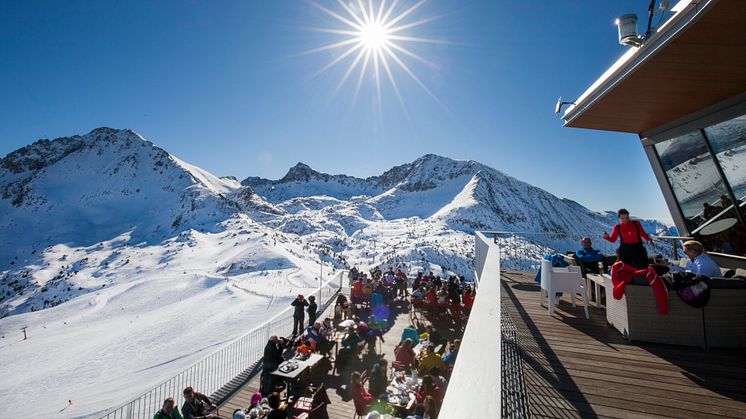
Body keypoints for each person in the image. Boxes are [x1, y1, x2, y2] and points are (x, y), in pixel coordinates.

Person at [657, 240, 721, 278]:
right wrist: (668, 264)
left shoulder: (704, 262)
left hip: (715, 289)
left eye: (685, 252)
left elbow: (700, 279)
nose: (685, 254)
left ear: (693, 251)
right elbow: (686, 271)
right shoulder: (691, 261)